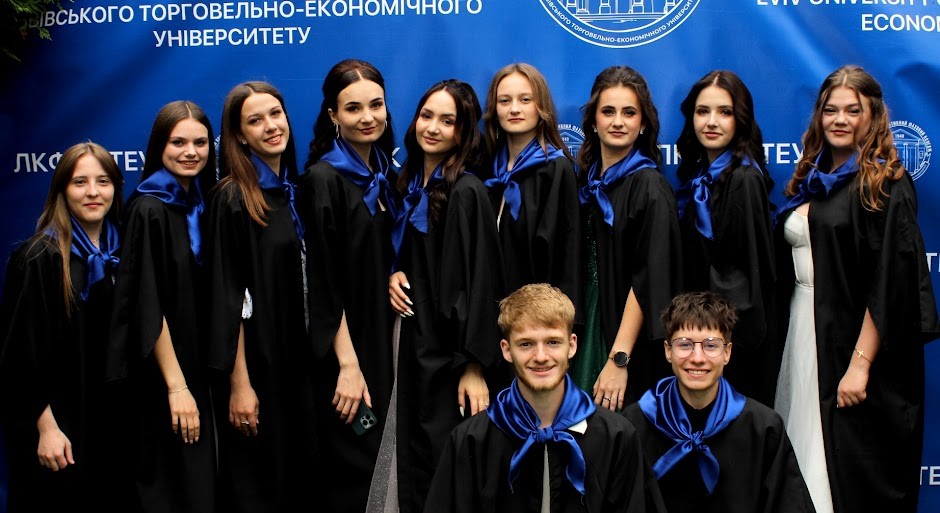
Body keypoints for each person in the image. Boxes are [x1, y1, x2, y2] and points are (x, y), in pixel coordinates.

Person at [773, 65, 939, 513]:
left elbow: (891, 284)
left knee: (845, 470)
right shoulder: (813, 181)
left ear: (873, 117)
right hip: (806, 332)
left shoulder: (884, 184)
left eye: (852, 110)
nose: (840, 119)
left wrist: (860, 365)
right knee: (805, 455)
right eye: (831, 110)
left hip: (853, 345)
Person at [424, 283, 666, 513]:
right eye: (526, 344)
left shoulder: (617, 437)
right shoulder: (471, 441)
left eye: (552, 342)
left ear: (572, 345)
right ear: (507, 350)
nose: (540, 356)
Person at [385, 79, 504, 513]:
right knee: (415, 461)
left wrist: (473, 365)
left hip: (449, 358)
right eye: (426, 115)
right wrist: (393, 274)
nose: (433, 127)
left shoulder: (468, 191)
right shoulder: (408, 185)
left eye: (447, 121)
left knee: (444, 468)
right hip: (413, 347)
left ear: (463, 131)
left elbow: (484, 283)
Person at [206, 81, 318, 512]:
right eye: (255, 120)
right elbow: (229, 298)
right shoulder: (232, 197)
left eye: (276, 114)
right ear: (238, 135)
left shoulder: (295, 191)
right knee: (261, 485)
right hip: (258, 369)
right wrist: (240, 384)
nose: (271, 126)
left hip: (298, 366)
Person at [0, 142, 126, 512]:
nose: (93, 192)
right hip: (60, 428)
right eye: (79, 182)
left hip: (112, 426)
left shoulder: (125, 252)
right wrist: (46, 427)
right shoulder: (39, 257)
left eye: (103, 181)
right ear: (62, 190)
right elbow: (17, 354)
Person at [298, 58, 398, 513]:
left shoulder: (386, 174)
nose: (368, 117)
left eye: (376, 105)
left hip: (383, 342)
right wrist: (348, 364)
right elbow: (321, 283)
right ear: (333, 115)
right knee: (354, 461)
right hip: (346, 352)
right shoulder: (322, 180)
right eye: (353, 108)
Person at [108, 101, 217, 513]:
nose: (191, 152)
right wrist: (177, 386)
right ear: (159, 146)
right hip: (164, 377)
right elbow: (146, 302)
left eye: (200, 143)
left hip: (198, 369)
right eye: (178, 142)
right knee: (172, 488)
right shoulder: (148, 208)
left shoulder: (200, 203)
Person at [624, 291, 815, 513]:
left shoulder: (763, 428)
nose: (697, 358)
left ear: (727, 352)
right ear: (668, 350)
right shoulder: (635, 424)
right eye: (684, 345)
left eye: (711, 345)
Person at [573, 65, 681, 408]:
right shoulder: (586, 183)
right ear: (593, 121)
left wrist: (619, 359)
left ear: (643, 123)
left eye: (629, 113)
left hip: (621, 341)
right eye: (608, 111)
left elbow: (649, 279)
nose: (618, 122)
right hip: (583, 324)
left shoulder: (650, 186)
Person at [674, 70, 777, 406]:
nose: (711, 122)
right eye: (702, 111)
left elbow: (748, 278)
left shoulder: (744, 179)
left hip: (733, 348)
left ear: (740, 120)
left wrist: (714, 343)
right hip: (703, 342)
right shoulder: (701, 179)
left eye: (725, 112)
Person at [481, 63, 581, 309]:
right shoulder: (485, 169)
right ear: (494, 109)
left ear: (541, 106)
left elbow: (565, 257)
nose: (514, 109)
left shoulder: (556, 170)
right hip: (485, 313)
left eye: (525, 100)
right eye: (504, 101)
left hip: (534, 317)